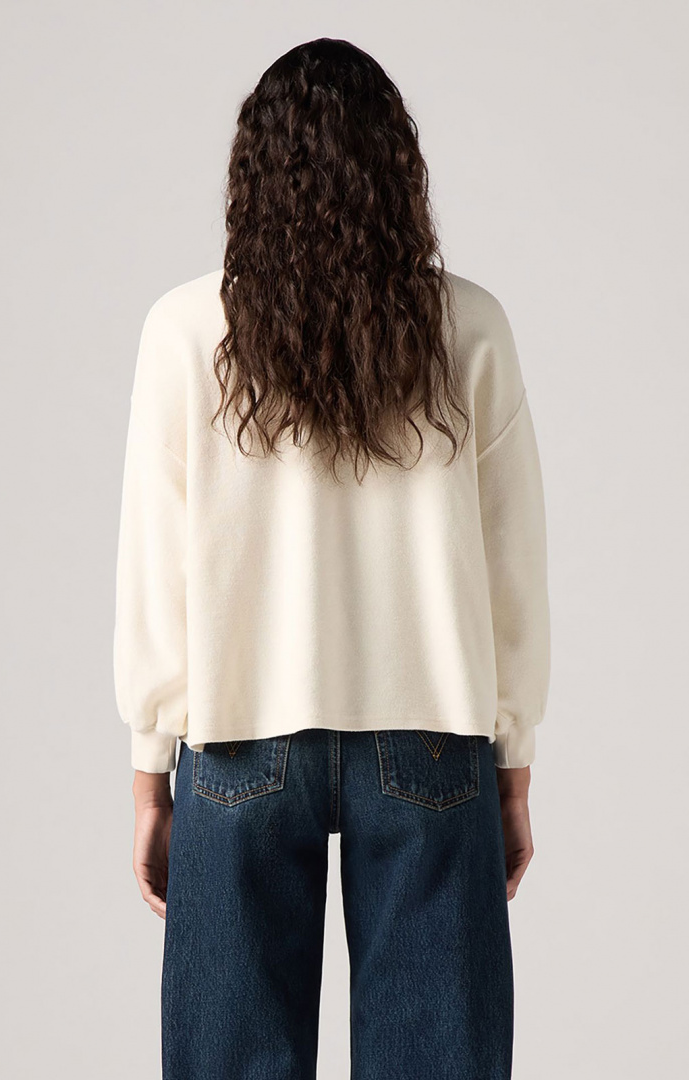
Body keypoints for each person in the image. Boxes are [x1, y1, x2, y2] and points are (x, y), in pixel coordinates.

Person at [113, 37, 550, 1080]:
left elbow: (155, 570)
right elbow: (512, 564)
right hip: (434, 741)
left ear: (252, 176)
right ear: (399, 171)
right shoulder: (469, 328)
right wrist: (514, 766)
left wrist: (149, 773)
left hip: (238, 745)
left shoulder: (186, 331)